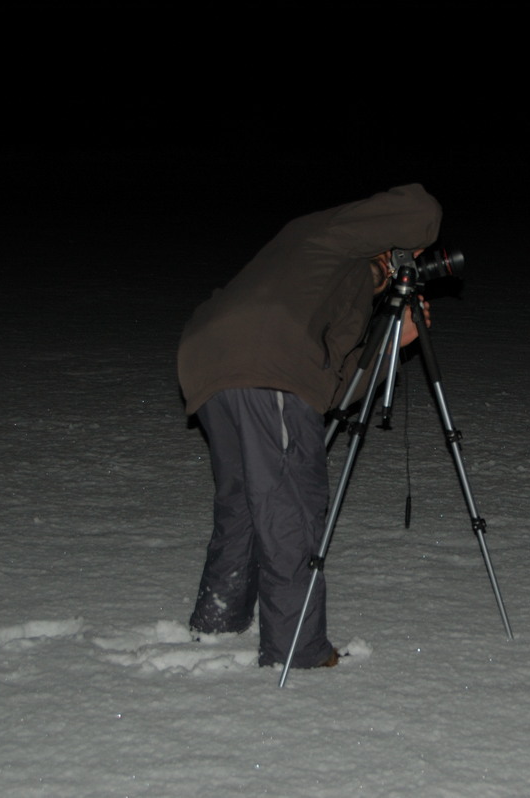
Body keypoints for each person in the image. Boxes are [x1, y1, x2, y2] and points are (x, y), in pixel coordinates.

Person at [176, 184, 442, 669]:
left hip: (207, 355)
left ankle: (219, 619)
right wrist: (406, 247)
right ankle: (296, 649)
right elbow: (423, 207)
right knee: (289, 507)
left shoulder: (324, 269)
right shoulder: (337, 236)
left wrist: (388, 348)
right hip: (266, 361)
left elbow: (328, 391)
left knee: (243, 500)